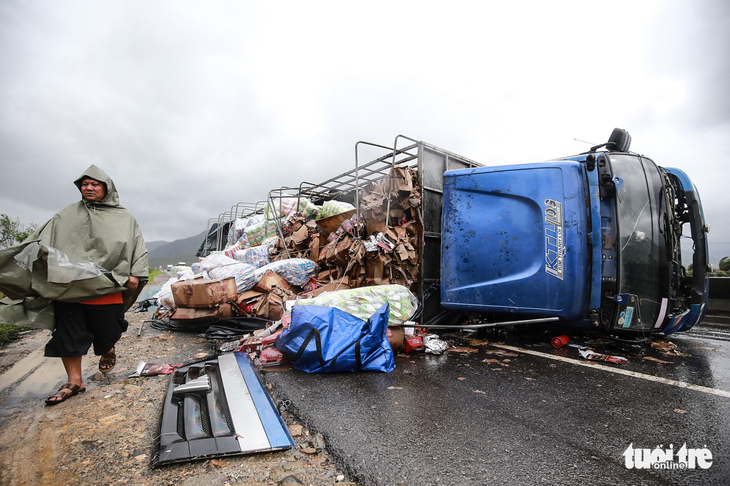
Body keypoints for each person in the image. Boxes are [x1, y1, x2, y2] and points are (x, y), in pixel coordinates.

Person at [0, 165, 148, 404]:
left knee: (108, 329)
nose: (88, 187)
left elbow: (137, 246)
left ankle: (107, 347)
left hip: (107, 285)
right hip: (69, 287)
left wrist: (136, 273)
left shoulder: (124, 217)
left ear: (106, 188)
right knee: (68, 333)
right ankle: (75, 381)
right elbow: (40, 240)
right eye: (84, 184)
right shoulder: (65, 215)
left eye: (94, 184)